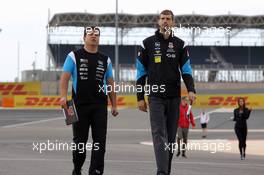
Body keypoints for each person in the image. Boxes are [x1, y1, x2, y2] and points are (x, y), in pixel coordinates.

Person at [136, 9, 196, 175]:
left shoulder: (180, 45)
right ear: (158, 21)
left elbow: (186, 71)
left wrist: (191, 89)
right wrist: (140, 97)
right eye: (162, 18)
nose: (165, 21)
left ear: (173, 23)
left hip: (174, 97)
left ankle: (165, 171)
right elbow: (141, 73)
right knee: (158, 134)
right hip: (155, 97)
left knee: (170, 139)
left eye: (168, 19)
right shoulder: (146, 43)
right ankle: (161, 172)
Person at [60, 26, 118, 175]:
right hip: (77, 105)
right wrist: (63, 97)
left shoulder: (106, 60)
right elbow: (65, 77)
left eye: (96, 34)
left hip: (99, 106)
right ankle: (77, 168)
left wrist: (114, 105)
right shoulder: (73, 56)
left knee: (100, 142)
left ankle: (96, 171)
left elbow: (110, 82)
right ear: (84, 37)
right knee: (79, 143)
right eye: (90, 34)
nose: (93, 36)